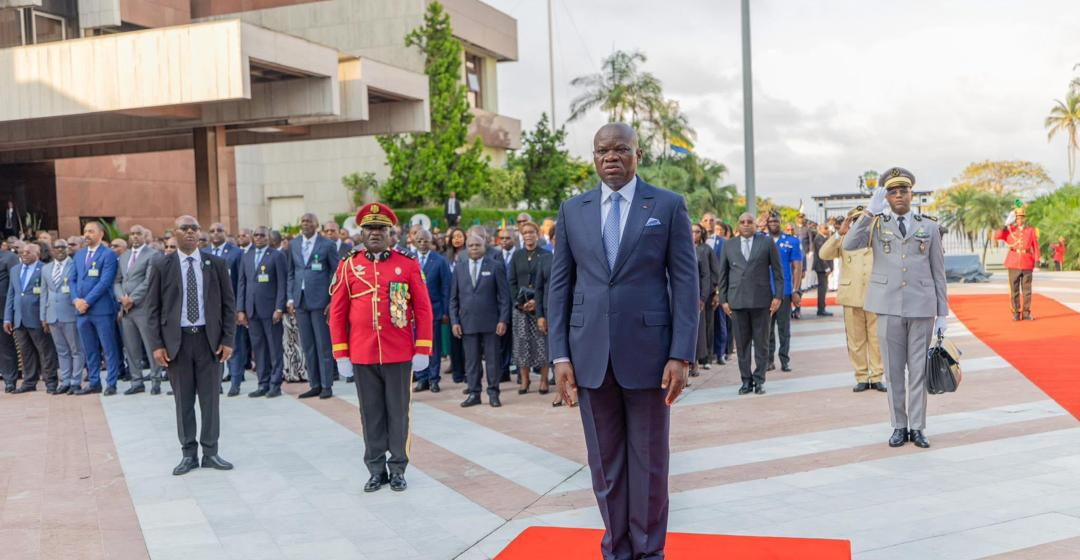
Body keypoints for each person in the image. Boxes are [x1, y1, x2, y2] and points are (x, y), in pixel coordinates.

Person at [547, 123, 698, 560]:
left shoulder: (667, 206)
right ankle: (616, 550)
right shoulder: (573, 210)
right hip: (589, 356)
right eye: (602, 151)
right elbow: (560, 286)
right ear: (593, 158)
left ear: (638, 154)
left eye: (620, 150)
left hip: (651, 358)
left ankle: (650, 552)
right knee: (606, 468)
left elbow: (685, 283)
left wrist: (680, 353)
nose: (611, 157)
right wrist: (560, 354)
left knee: (649, 466)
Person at [329, 202, 433, 493]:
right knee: (371, 413)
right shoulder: (348, 265)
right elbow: (337, 312)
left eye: (381, 228)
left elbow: (423, 309)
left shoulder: (408, 265)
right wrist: (341, 353)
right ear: (361, 233)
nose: (375, 233)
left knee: (398, 412)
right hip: (362, 353)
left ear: (392, 234)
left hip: (398, 352)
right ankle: (376, 468)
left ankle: (398, 467)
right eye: (369, 229)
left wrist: (423, 347)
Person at [843, 167, 948, 449]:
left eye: (904, 190)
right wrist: (868, 213)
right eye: (893, 191)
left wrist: (942, 314)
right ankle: (899, 426)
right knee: (892, 371)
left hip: (921, 307)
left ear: (912, 194)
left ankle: (918, 427)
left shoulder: (928, 226)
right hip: (888, 306)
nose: (899, 195)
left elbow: (938, 272)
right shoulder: (876, 224)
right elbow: (849, 244)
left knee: (918, 371)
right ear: (885, 196)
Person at [146, 215, 236, 476]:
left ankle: (210, 452)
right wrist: (157, 345)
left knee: (210, 400)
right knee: (183, 401)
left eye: (194, 228)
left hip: (209, 342)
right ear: (174, 233)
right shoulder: (163, 265)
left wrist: (228, 340)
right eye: (184, 229)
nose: (190, 232)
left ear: (200, 233)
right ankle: (188, 454)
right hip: (178, 342)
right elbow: (153, 309)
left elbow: (229, 305)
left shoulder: (215, 264)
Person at [820, 207, 885, 392]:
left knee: (876, 339)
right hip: (852, 296)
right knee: (856, 341)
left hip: (875, 297)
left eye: (863, 220)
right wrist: (838, 235)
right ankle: (862, 376)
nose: (860, 224)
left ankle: (877, 376)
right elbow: (823, 254)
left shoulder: (878, 241)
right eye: (855, 221)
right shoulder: (845, 241)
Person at [718, 213, 783, 395]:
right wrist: (723, 300)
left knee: (761, 344)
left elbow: (778, 272)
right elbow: (722, 274)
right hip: (737, 301)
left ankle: (759, 379)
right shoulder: (729, 245)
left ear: (756, 225)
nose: (746, 225)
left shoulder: (767, 242)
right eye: (742, 222)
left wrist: (778, 296)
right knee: (742, 344)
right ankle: (746, 381)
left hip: (761, 301)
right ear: (737, 225)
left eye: (750, 222)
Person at [450, 234, 510, 407]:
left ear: (485, 246)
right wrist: (455, 321)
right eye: (470, 245)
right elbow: (453, 298)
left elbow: (504, 297)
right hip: (467, 323)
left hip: (491, 322)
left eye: (477, 245)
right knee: (471, 361)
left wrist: (503, 320)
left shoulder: (496, 266)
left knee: (493, 360)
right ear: (466, 248)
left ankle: (493, 393)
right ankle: (474, 393)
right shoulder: (459, 268)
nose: (474, 248)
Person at [287, 213, 340, 398]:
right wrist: (290, 298)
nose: (305, 224)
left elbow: (336, 272)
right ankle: (314, 384)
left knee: (323, 344)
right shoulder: (294, 244)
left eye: (309, 221)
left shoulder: (327, 245)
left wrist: (332, 299)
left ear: (317, 224)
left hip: (320, 301)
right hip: (300, 301)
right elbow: (291, 273)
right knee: (308, 345)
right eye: (302, 221)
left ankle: (327, 385)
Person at [71, 222, 122, 396]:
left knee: (108, 348)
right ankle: (94, 382)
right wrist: (76, 299)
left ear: (101, 234)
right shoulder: (79, 255)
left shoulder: (108, 254)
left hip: (101, 309)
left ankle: (112, 383)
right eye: (85, 231)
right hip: (81, 311)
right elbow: (72, 279)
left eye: (91, 231)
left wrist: (87, 301)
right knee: (89, 348)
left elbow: (105, 281)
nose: (87, 235)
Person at [237, 226, 287, 398]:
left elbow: (282, 284)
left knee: (274, 349)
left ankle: (275, 384)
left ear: (268, 238)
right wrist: (241, 309)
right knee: (258, 349)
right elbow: (241, 284)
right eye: (256, 235)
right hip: (252, 311)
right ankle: (262, 383)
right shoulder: (247, 256)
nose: (258, 238)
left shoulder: (277, 255)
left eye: (262, 235)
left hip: (271, 310)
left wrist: (279, 308)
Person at [5, 243, 58, 394]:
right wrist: (8, 318)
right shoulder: (15, 270)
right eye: (22, 252)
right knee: (25, 351)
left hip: (37, 317)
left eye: (28, 252)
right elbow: (12, 294)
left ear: (38, 253)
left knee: (45, 350)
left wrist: (45, 316)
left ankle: (51, 381)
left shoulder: (44, 268)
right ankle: (29, 381)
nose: (24, 254)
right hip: (19, 318)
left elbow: (46, 294)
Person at [116, 225, 163, 395]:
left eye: (138, 234)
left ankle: (156, 380)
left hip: (143, 307)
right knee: (131, 346)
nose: (135, 237)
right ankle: (136, 382)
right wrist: (122, 298)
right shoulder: (124, 256)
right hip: (126, 309)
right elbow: (117, 281)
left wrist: (132, 299)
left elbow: (149, 281)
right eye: (132, 234)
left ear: (145, 236)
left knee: (151, 345)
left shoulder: (153, 254)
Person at [509, 221, 550, 394]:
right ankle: (524, 381)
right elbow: (511, 282)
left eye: (531, 232)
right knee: (522, 344)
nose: (528, 235)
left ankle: (543, 380)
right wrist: (519, 303)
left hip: (540, 308)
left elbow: (548, 282)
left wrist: (537, 301)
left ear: (538, 233)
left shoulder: (546, 255)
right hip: (521, 309)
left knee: (542, 343)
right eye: (524, 232)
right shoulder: (517, 255)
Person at [206, 223, 247, 388]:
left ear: (226, 232)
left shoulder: (236, 253)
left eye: (219, 230)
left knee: (233, 344)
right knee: (215, 346)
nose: (215, 234)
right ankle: (217, 383)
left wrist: (239, 308)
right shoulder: (204, 252)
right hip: (211, 309)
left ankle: (235, 382)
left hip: (230, 306)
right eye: (212, 231)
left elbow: (242, 281)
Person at [41, 238, 84, 395]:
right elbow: (44, 293)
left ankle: (75, 381)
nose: (59, 250)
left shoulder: (75, 265)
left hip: (70, 312)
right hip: (52, 314)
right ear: (52, 250)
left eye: (63, 247)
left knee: (76, 350)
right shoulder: (46, 268)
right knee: (61, 350)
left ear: (67, 249)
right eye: (56, 247)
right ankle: (65, 380)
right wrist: (43, 316)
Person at [413, 229, 451, 393]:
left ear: (431, 242)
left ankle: (434, 379)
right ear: (414, 241)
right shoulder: (409, 259)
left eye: (426, 240)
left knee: (433, 347)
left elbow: (446, 287)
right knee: (417, 347)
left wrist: (445, 311)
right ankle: (422, 378)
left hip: (433, 311)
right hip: (413, 313)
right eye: (419, 240)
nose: (422, 243)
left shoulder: (440, 261)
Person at [765, 213, 803, 373]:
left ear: (780, 223)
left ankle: (784, 360)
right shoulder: (761, 240)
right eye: (771, 221)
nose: (774, 223)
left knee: (784, 329)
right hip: (765, 292)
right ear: (766, 223)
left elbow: (797, 267)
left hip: (785, 291)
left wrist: (795, 290)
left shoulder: (791, 241)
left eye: (776, 221)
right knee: (766, 329)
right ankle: (768, 360)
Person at [994, 206, 1039, 321]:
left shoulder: (1030, 230)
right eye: (1017, 217)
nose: (1020, 219)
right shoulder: (1009, 230)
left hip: (1027, 262)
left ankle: (1026, 313)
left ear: (1024, 218)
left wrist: (1037, 260)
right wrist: (1005, 224)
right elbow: (997, 236)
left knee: (1027, 290)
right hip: (1013, 262)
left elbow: (1035, 246)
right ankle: (1015, 312)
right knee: (1014, 290)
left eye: (1021, 217)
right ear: (1014, 219)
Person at [691, 223, 720, 377]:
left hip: (702, 295)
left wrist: (709, 294)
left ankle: (703, 359)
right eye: (691, 231)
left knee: (704, 328)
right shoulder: (682, 248)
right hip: (683, 295)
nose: (694, 234)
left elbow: (709, 274)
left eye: (696, 231)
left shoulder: (705, 250)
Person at [442, 227, 468, 383]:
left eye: (460, 236)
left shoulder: (469, 255)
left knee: (468, 340)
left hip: (467, 302)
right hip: (452, 303)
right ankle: (457, 371)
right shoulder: (446, 258)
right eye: (454, 237)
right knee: (454, 339)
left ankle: (467, 371)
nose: (457, 239)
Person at [0, 239, 18, 392]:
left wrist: (10, 312)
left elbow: (15, 286)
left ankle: (10, 380)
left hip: (3, 310)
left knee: (5, 347)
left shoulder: (8, 257)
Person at [811, 223, 834, 317]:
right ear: (820, 229)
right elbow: (822, 254)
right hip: (821, 267)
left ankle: (822, 308)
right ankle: (821, 309)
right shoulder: (819, 239)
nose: (828, 230)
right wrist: (826, 267)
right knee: (822, 288)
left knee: (823, 288)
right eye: (826, 228)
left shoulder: (825, 238)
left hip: (823, 267)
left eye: (828, 228)